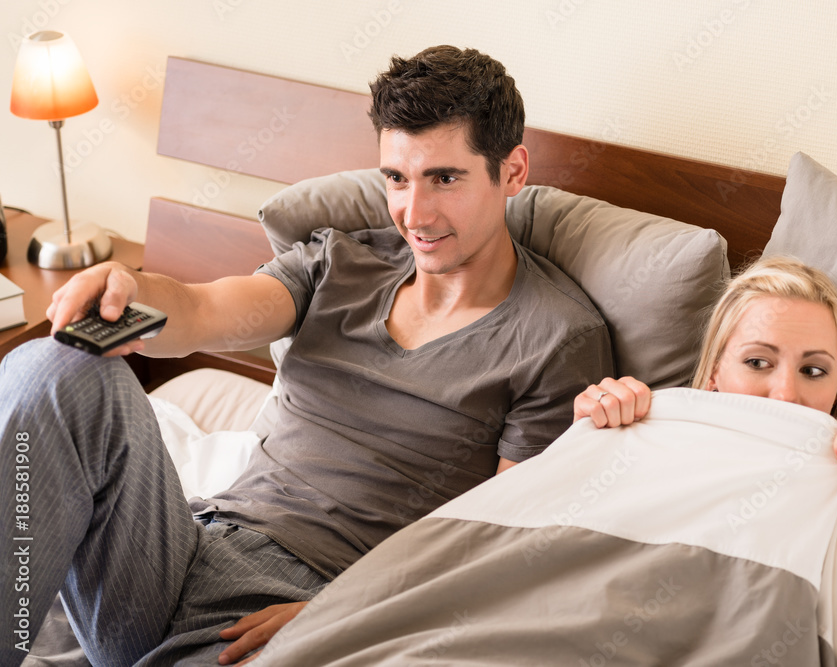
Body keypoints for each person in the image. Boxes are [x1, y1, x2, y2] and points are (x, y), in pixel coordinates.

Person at [0, 46, 613, 666]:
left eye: (445, 179)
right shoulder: (338, 261)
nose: (415, 214)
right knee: (50, 367)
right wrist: (130, 288)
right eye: (397, 179)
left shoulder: (556, 337)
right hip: (188, 546)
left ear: (512, 171)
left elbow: (501, 544)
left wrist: (349, 610)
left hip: (304, 607)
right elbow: (204, 309)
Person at [573, 255, 837, 484]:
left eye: (812, 371)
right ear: (713, 373)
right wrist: (585, 443)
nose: (785, 395)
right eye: (757, 363)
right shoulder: (643, 450)